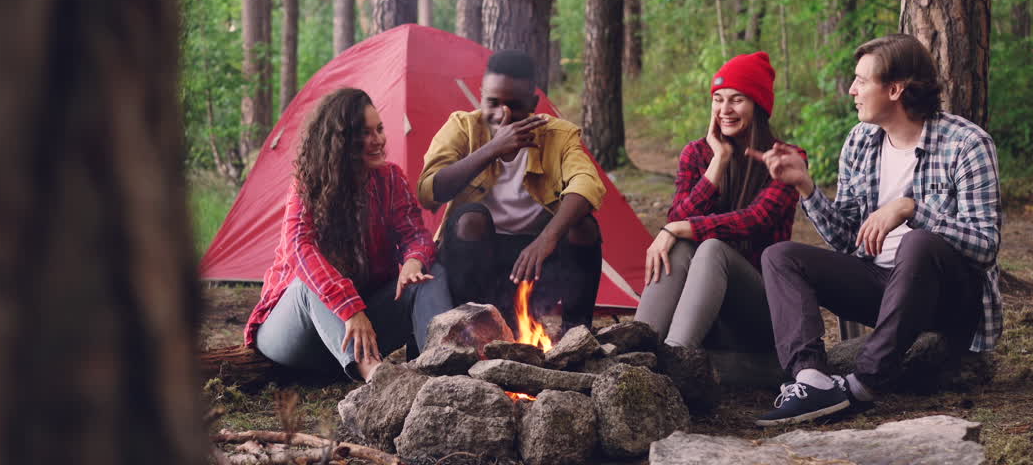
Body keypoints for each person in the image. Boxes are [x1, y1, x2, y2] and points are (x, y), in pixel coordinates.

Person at [750, 34, 1003, 426]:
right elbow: (847, 238)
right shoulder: (860, 142)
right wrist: (806, 186)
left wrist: (911, 209)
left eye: (861, 81)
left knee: (918, 243)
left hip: (949, 297)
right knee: (780, 256)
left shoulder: (967, 144)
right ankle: (811, 378)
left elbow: (986, 247)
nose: (852, 90)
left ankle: (863, 384)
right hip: (882, 287)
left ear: (895, 89)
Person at [244, 88, 451, 382]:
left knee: (429, 274)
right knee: (308, 283)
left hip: (361, 329)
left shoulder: (390, 178)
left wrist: (414, 260)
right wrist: (349, 308)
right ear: (341, 142)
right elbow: (298, 248)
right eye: (366, 133)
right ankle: (378, 382)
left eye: (379, 129)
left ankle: (442, 366)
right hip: (298, 335)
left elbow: (415, 234)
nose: (378, 140)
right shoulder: (308, 184)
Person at [418, 50, 605, 332]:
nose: (502, 114)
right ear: (481, 96)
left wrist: (547, 238)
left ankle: (576, 332)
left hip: (535, 260)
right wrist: (492, 149)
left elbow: (588, 184)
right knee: (471, 219)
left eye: (515, 105)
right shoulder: (462, 127)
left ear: (533, 103)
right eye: (492, 102)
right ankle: (475, 330)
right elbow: (429, 190)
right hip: (474, 259)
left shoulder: (558, 134)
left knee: (584, 226)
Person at [634, 51, 801, 354]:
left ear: (758, 105)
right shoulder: (697, 154)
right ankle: (637, 354)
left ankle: (676, 357)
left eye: (736, 99)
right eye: (718, 99)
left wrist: (680, 228)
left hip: (760, 308)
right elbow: (677, 217)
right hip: (704, 309)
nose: (725, 109)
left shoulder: (787, 159)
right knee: (680, 243)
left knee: (708, 246)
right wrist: (718, 163)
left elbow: (756, 219)